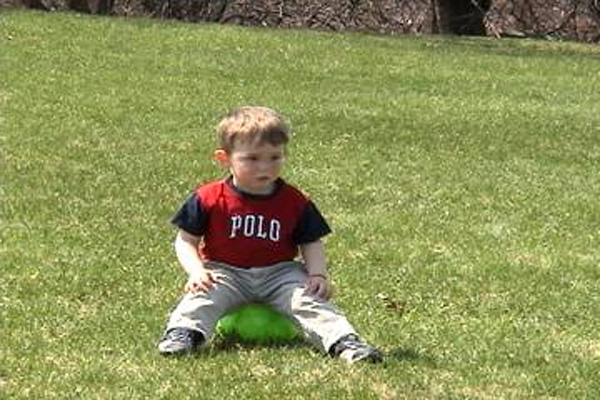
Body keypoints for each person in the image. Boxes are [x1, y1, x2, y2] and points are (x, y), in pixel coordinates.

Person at [158, 106, 383, 363]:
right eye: (252, 159)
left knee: (308, 300)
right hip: (225, 271)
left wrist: (317, 274)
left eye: (275, 157)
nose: (264, 167)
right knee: (202, 297)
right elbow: (186, 240)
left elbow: (311, 242)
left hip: (280, 273)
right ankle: (183, 334)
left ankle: (345, 343)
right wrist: (196, 271)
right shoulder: (208, 197)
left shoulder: (295, 201)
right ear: (224, 158)